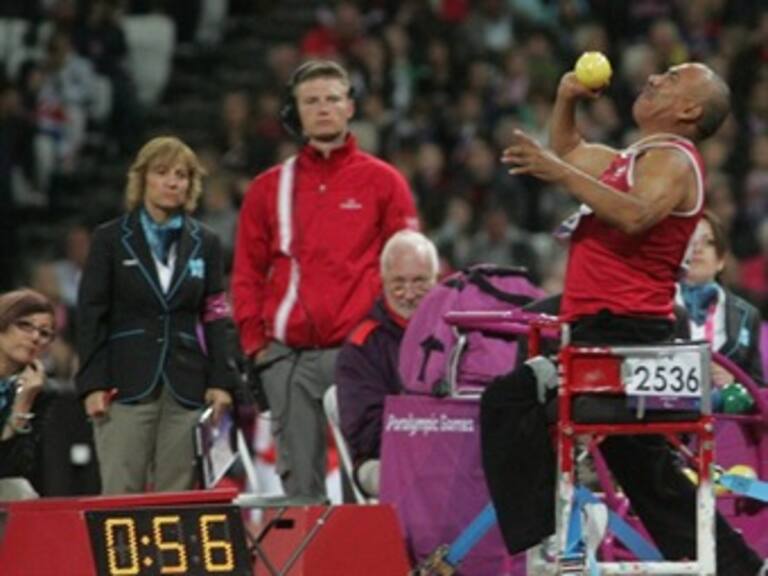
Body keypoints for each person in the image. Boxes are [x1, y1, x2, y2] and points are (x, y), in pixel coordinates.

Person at [482, 63, 764, 575]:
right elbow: (569, 149)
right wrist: (566, 98)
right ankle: (740, 567)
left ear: (689, 110)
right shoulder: (637, 157)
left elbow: (634, 215)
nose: (656, 78)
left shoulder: (675, 162)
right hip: (606, 327)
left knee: (512, 400)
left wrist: (557, 171)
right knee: (645, 468)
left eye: (673, 78)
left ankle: (547, 545)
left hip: (626, 333)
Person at [232, 59, 418, 499]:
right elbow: (246, 273)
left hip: (360, 354)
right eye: (310, 101)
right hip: (286, 359)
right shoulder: (268, 189)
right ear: (295, 112)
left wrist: (391, 342)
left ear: (350, 107)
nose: (323, 109)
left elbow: (410, 267)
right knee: (300, 491)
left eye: (332, 99)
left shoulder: (384, 182)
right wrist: (257, 348)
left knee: (371, 481)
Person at [76, 136, 237, 495]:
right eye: (162, 172)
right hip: (124, 384)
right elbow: (90, 315)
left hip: (185, 386)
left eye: (181, 175)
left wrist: (221, 381)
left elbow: (214, 315)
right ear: (142, 179)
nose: (172, 182)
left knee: (177, 498)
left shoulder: (206, 242)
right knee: (121, 495)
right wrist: (92, 384)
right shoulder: (111, 238)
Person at [335, 230, 439, 497]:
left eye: (419, 282)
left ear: (436, 280)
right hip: (383, 459)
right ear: (382, 282)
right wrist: (426, 429)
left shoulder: (456, 333)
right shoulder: (361, 347)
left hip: (450, 449)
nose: (408, 293)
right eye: (398, 283)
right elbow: (364, 433)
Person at [677, 210, 764, 387]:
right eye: (689, 241)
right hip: (666, 412)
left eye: (708, 242)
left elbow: (759, 389)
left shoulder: (747, 314)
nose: (697, 249)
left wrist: (734, 382)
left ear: (721, 261)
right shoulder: (652, 304)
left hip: (722, 414)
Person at [0, 288, 56, 500]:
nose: (35, 337)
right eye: (25, 325)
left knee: (20, 490)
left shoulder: (39, 391)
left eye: (44, 333)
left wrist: (24, 402)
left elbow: (13, 468)